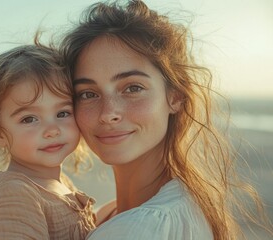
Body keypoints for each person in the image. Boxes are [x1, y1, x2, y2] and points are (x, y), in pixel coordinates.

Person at [60, 0, 271, 239]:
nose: (108, 113)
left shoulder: (138, 228)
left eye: (132, 88)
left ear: (175, 97)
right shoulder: (124, 212)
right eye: (88, 94)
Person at [0, 42, 96, 239]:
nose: (52, 130)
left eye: (62, 113)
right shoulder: (14, 196)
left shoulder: (62, 185)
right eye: (29, 119)